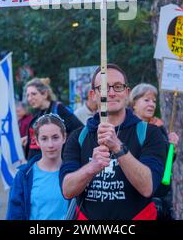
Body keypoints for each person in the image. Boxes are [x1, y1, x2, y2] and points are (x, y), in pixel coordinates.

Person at [60, 64, 167, 220]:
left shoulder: (150, 133)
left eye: (118, 87)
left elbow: (148, 187)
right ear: (93, 94)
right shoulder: (78, 137)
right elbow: (67, 190)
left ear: (127, 92)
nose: (111, 93)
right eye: (103, 88)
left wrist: (118, 147)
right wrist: (91, 167)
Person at [129, 83, 179, 220]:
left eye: (154, 101)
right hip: (138, 200)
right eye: (146, 100)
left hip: (162, 198)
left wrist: (171, 148)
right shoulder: (128, 128)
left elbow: (165, 162)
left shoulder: (158, 127)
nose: (152, 104)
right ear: (134, 103)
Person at [7, 113, 69, 220]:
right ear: (36, 141)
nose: (50, 145)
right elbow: (14, 215)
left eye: (55, 137)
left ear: (64, 137)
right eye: (44, 139)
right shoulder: (24, 175)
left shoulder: (75, 172)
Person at [25, 78, 82, 160]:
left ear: (45, 94)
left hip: (55, 164)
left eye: (33, 94)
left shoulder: (59, 108)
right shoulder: (39, 113)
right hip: (36, 164)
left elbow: (79, 130)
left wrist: (60, 141)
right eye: (28, 95)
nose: (30, 98)